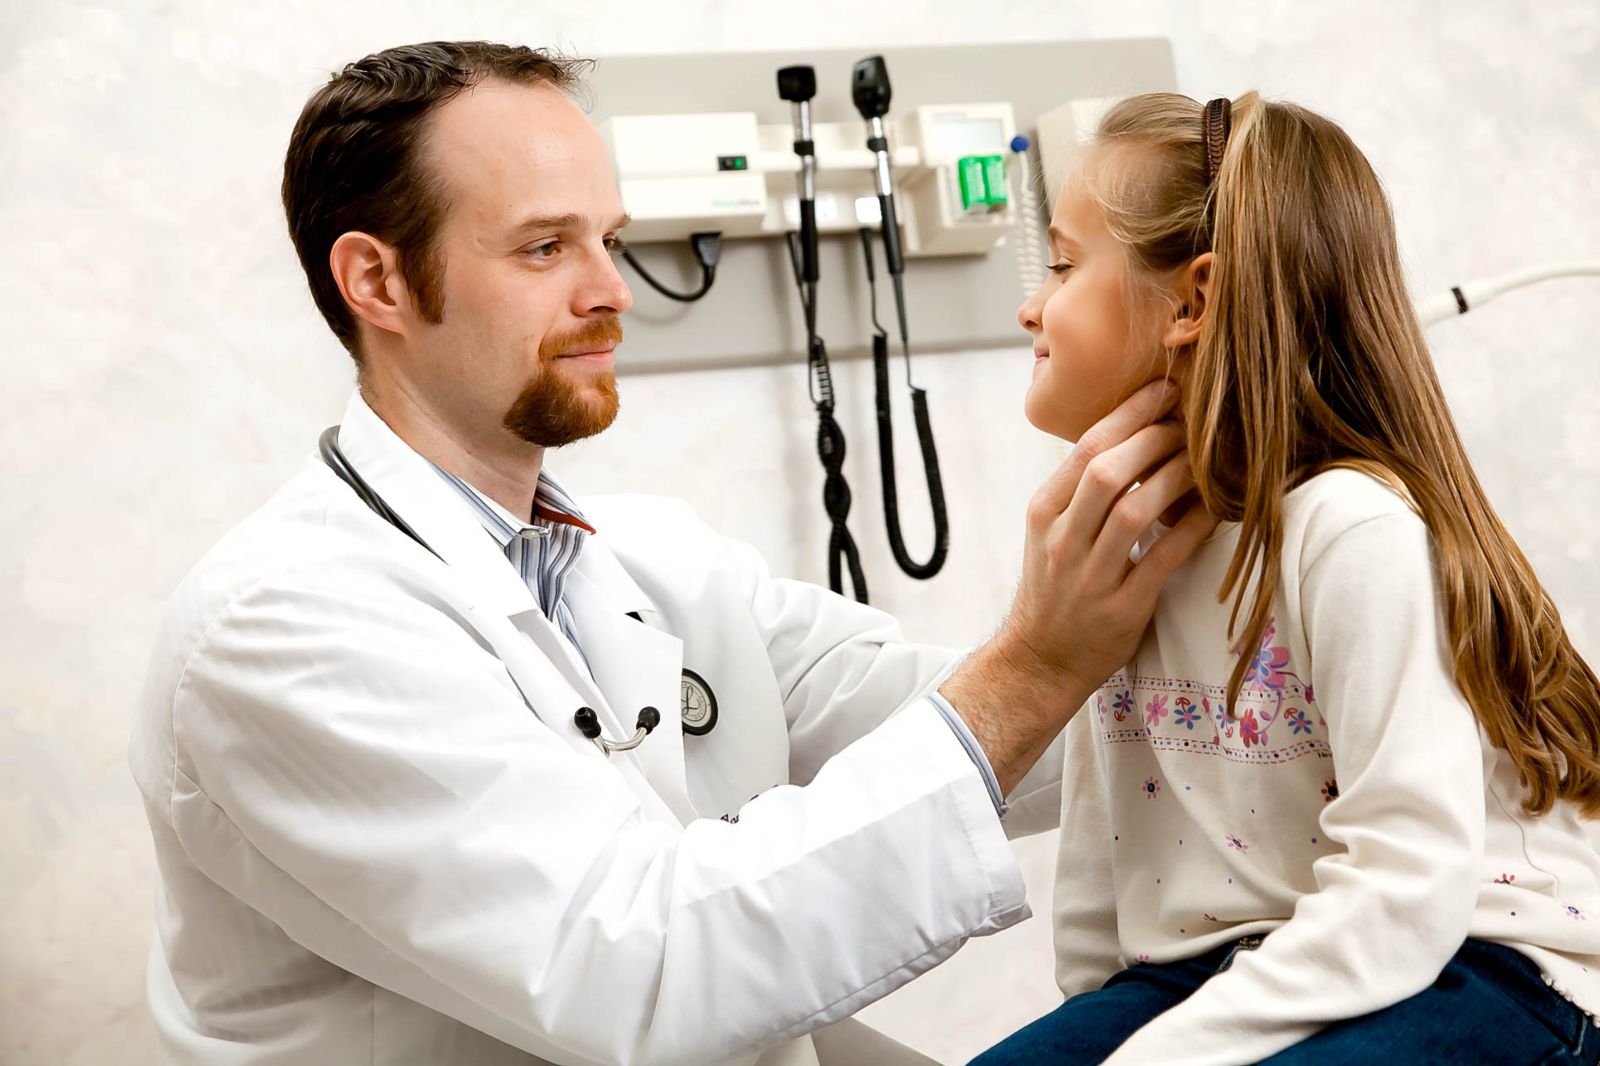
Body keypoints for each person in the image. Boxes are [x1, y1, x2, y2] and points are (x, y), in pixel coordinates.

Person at [127, 42, 1215, 1066]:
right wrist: (1040, 661)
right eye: (545, 247)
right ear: (377, 283)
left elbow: (930, 711)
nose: (612, 291)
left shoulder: (651, 557)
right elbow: (637, 964)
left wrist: (1247, 646)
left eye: (610, 237)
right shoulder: (282, 624)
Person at [970, 91, 1600, 1066]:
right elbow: (1107, 879)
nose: (1029, 305)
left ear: (1193, 299)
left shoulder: (1345, 530)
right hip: (1229, 959)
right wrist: (1094, 1025)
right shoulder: (1128, 549)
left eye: (1058, 264)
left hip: (1484, 964)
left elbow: (1404, 885)